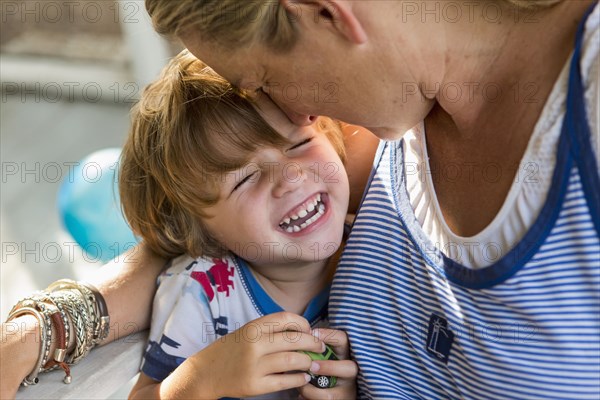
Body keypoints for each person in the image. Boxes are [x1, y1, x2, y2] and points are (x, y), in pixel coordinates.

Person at [3, 0, 598, 398]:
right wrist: (43, 328)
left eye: (262, 79)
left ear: (327, 13)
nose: (299, 115)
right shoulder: (389, 115)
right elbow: (199, 237)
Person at [120, 50, 357, 399]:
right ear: (201, 230)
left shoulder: (377, 245)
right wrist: (203, 378)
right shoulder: (202, 292)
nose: (290, 176)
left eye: (301, 143)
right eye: (245, 178)